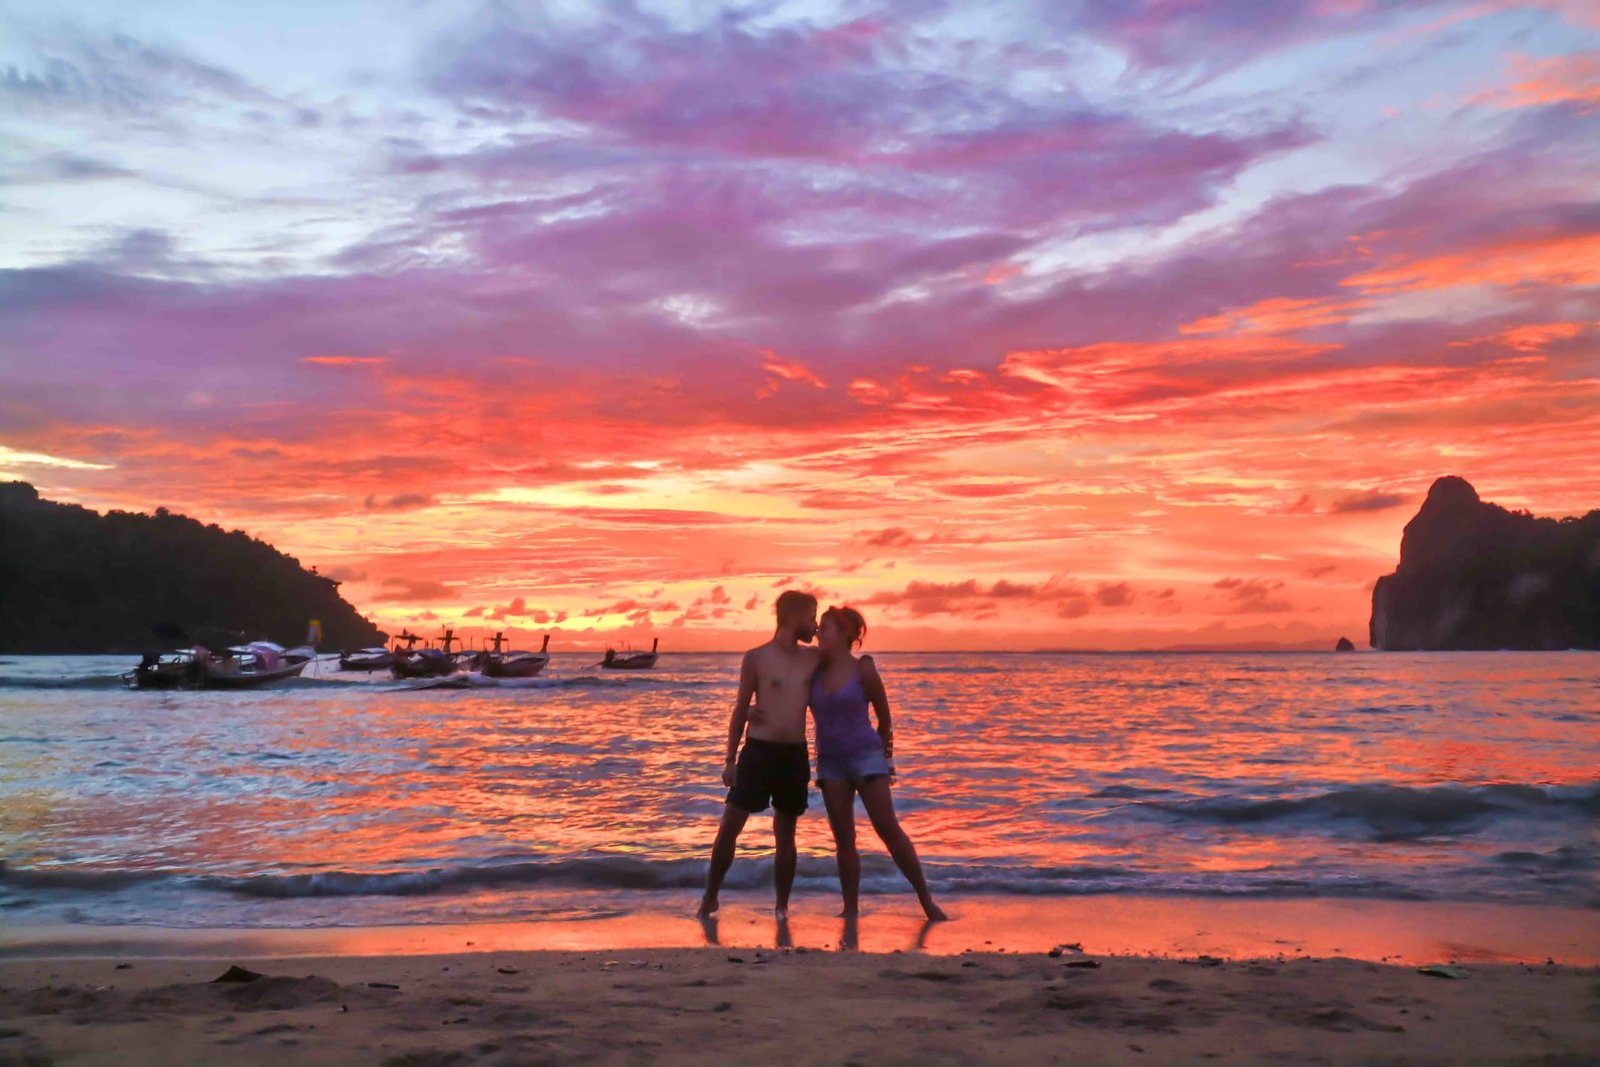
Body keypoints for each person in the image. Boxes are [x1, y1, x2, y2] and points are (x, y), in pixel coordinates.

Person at [811, 606, 945, 921]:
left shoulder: (864, 670)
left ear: (844, 634)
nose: (818, 632)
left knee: (887, 828)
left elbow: (885, 720)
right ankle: (850, 909)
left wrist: (887, 760)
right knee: (843, 839)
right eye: (818, 627)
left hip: (866, 758)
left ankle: (926, 900)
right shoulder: (813, 670)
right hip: (830, 762)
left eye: (825, 627)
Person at [698, 590, 820, 918]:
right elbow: (740, 709)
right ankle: (710, 897)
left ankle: (781, 906)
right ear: (794, 618)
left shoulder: (814, 659)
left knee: (786, 834)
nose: (815, 625)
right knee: (730, 827)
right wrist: (729, 759)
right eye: (811, 617)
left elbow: (844, 666)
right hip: (758, 751)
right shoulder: (757, 657)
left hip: (793, 754)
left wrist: (863, 662)